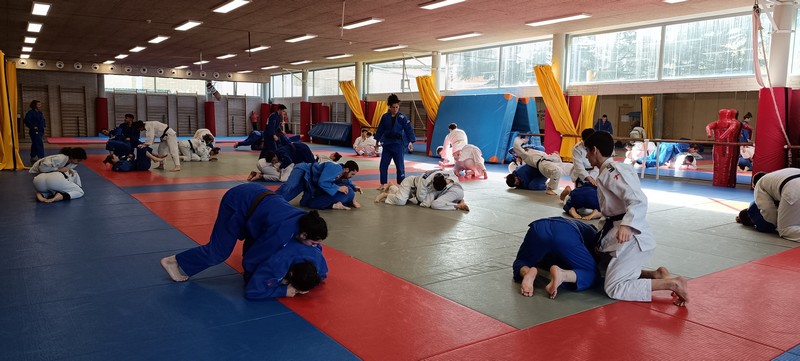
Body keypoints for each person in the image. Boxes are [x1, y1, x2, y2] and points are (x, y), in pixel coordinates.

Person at [159, 183, 328, 299]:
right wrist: (256, 281)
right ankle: (174, 261)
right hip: (238, 201)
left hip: (256, 198)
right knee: (219, 252)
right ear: (303, 235)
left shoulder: (304, 221)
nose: (315, 246)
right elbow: (252, 258)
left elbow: (315, 253)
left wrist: (317, 276)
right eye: (313, 243)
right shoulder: (281, 233)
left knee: (257, 238)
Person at [583, 130, 688, 306]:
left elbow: (638, 199)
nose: (586, 156)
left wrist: (627, 225)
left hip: (632, 237)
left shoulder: (612, 171)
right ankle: (656, 275)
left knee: (614, 287)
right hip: (620, 232)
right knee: (602, 270)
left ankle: (671, 283)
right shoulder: (608, 171)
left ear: (594, 150)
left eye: (587, 151)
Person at [513, 217, 599, 299]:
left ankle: (527, 272)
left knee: (522, 261)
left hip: (538, 227)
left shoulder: (579, 224)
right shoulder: (594, 235)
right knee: (593, 273)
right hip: (566, 233)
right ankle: (563, 275)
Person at [736, 169, 800, 241]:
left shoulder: (760, 185)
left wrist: (775, 224)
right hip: (793, 184)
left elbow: (767, 209)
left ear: (754, 186)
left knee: (784, 230)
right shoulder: (776, 177)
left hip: (793, 189)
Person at [278, 160, 362, 210]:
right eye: (352, 174)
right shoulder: (336, 168)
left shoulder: (341, 174)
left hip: (309, 182)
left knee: (303, 202)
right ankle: (269, 198)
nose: (351, 176)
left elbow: (346, 182)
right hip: (303, 170)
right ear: (347, 169)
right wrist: (337, 188)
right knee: (289, 187)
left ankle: (275, 201)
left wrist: (354, 187)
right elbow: (322, 182)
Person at [374, 94, 416, 191]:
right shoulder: (385, 117)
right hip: (387, 144)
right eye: (393, 107)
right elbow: (380, 129)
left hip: (398, 144)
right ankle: (383, 183)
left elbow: (409, 129)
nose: (395, 109)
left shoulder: (402, 117)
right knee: (383, 165)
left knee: (400, 165)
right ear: (389, 107)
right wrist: (377, 142)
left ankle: (401, 184)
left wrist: (411, 142)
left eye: (397, 107)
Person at [375, 169, 470, 211]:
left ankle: (392, 186)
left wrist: (449, 181)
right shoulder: (425, 181)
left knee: (427, 202)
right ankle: (385, 194)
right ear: (433, 183)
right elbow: (420, 199)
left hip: (420, 189)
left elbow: (454, 176)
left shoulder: (444, 176)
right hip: (410, 184)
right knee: (401, 201)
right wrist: (429, 201)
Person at [23, 100, 46, 164]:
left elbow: (43, 121)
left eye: (40, 104)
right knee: (39, 143)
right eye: (38, 104)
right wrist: (33, 127)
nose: (40, 106)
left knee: (35, 144)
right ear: (34, 105)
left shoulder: (40, 113)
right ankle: (41, 157)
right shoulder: (30, 113)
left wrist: (43, 126)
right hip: (34, 131)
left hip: (40, 130)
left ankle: (32, 157)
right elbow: (26, 121)